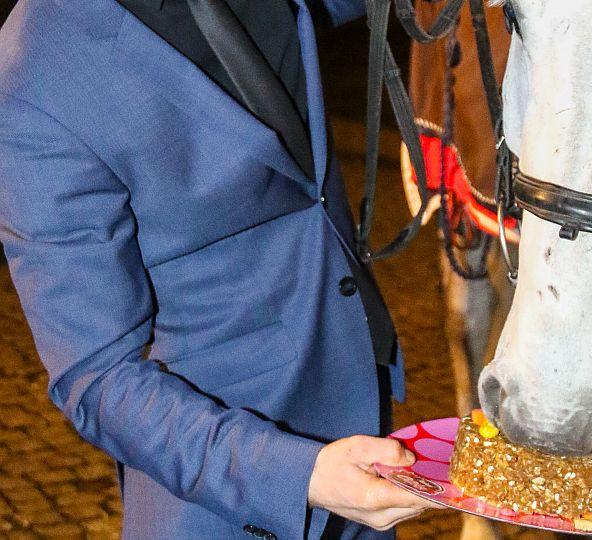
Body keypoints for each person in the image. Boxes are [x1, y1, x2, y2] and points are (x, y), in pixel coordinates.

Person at [0, 0, 439, 538]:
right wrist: (302, 476)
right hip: (230, 498)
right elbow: (97, 379)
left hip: (362, 422)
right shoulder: (35, 71)